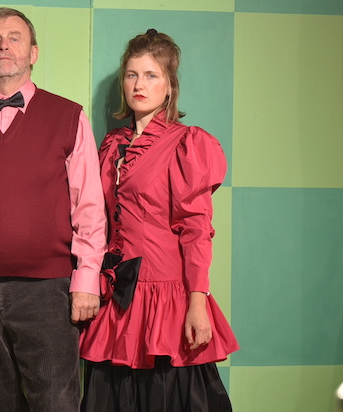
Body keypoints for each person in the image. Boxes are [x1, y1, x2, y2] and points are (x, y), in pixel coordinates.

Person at [0, 7, 107, 412]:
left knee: (55, 403)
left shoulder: (67, 115)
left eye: (14, 38)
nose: (3, 46)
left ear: (33, 52)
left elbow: (88, 204)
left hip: (48, 292)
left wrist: (87, 278)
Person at [80, 28, 239, 411]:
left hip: (167, 298)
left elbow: (196, 230)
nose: (139, 85)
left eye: (152, 75)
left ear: (170, 86)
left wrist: (197, 303)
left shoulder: (187, 144)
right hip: (119, 299)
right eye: (132, 75)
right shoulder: (111, 145)